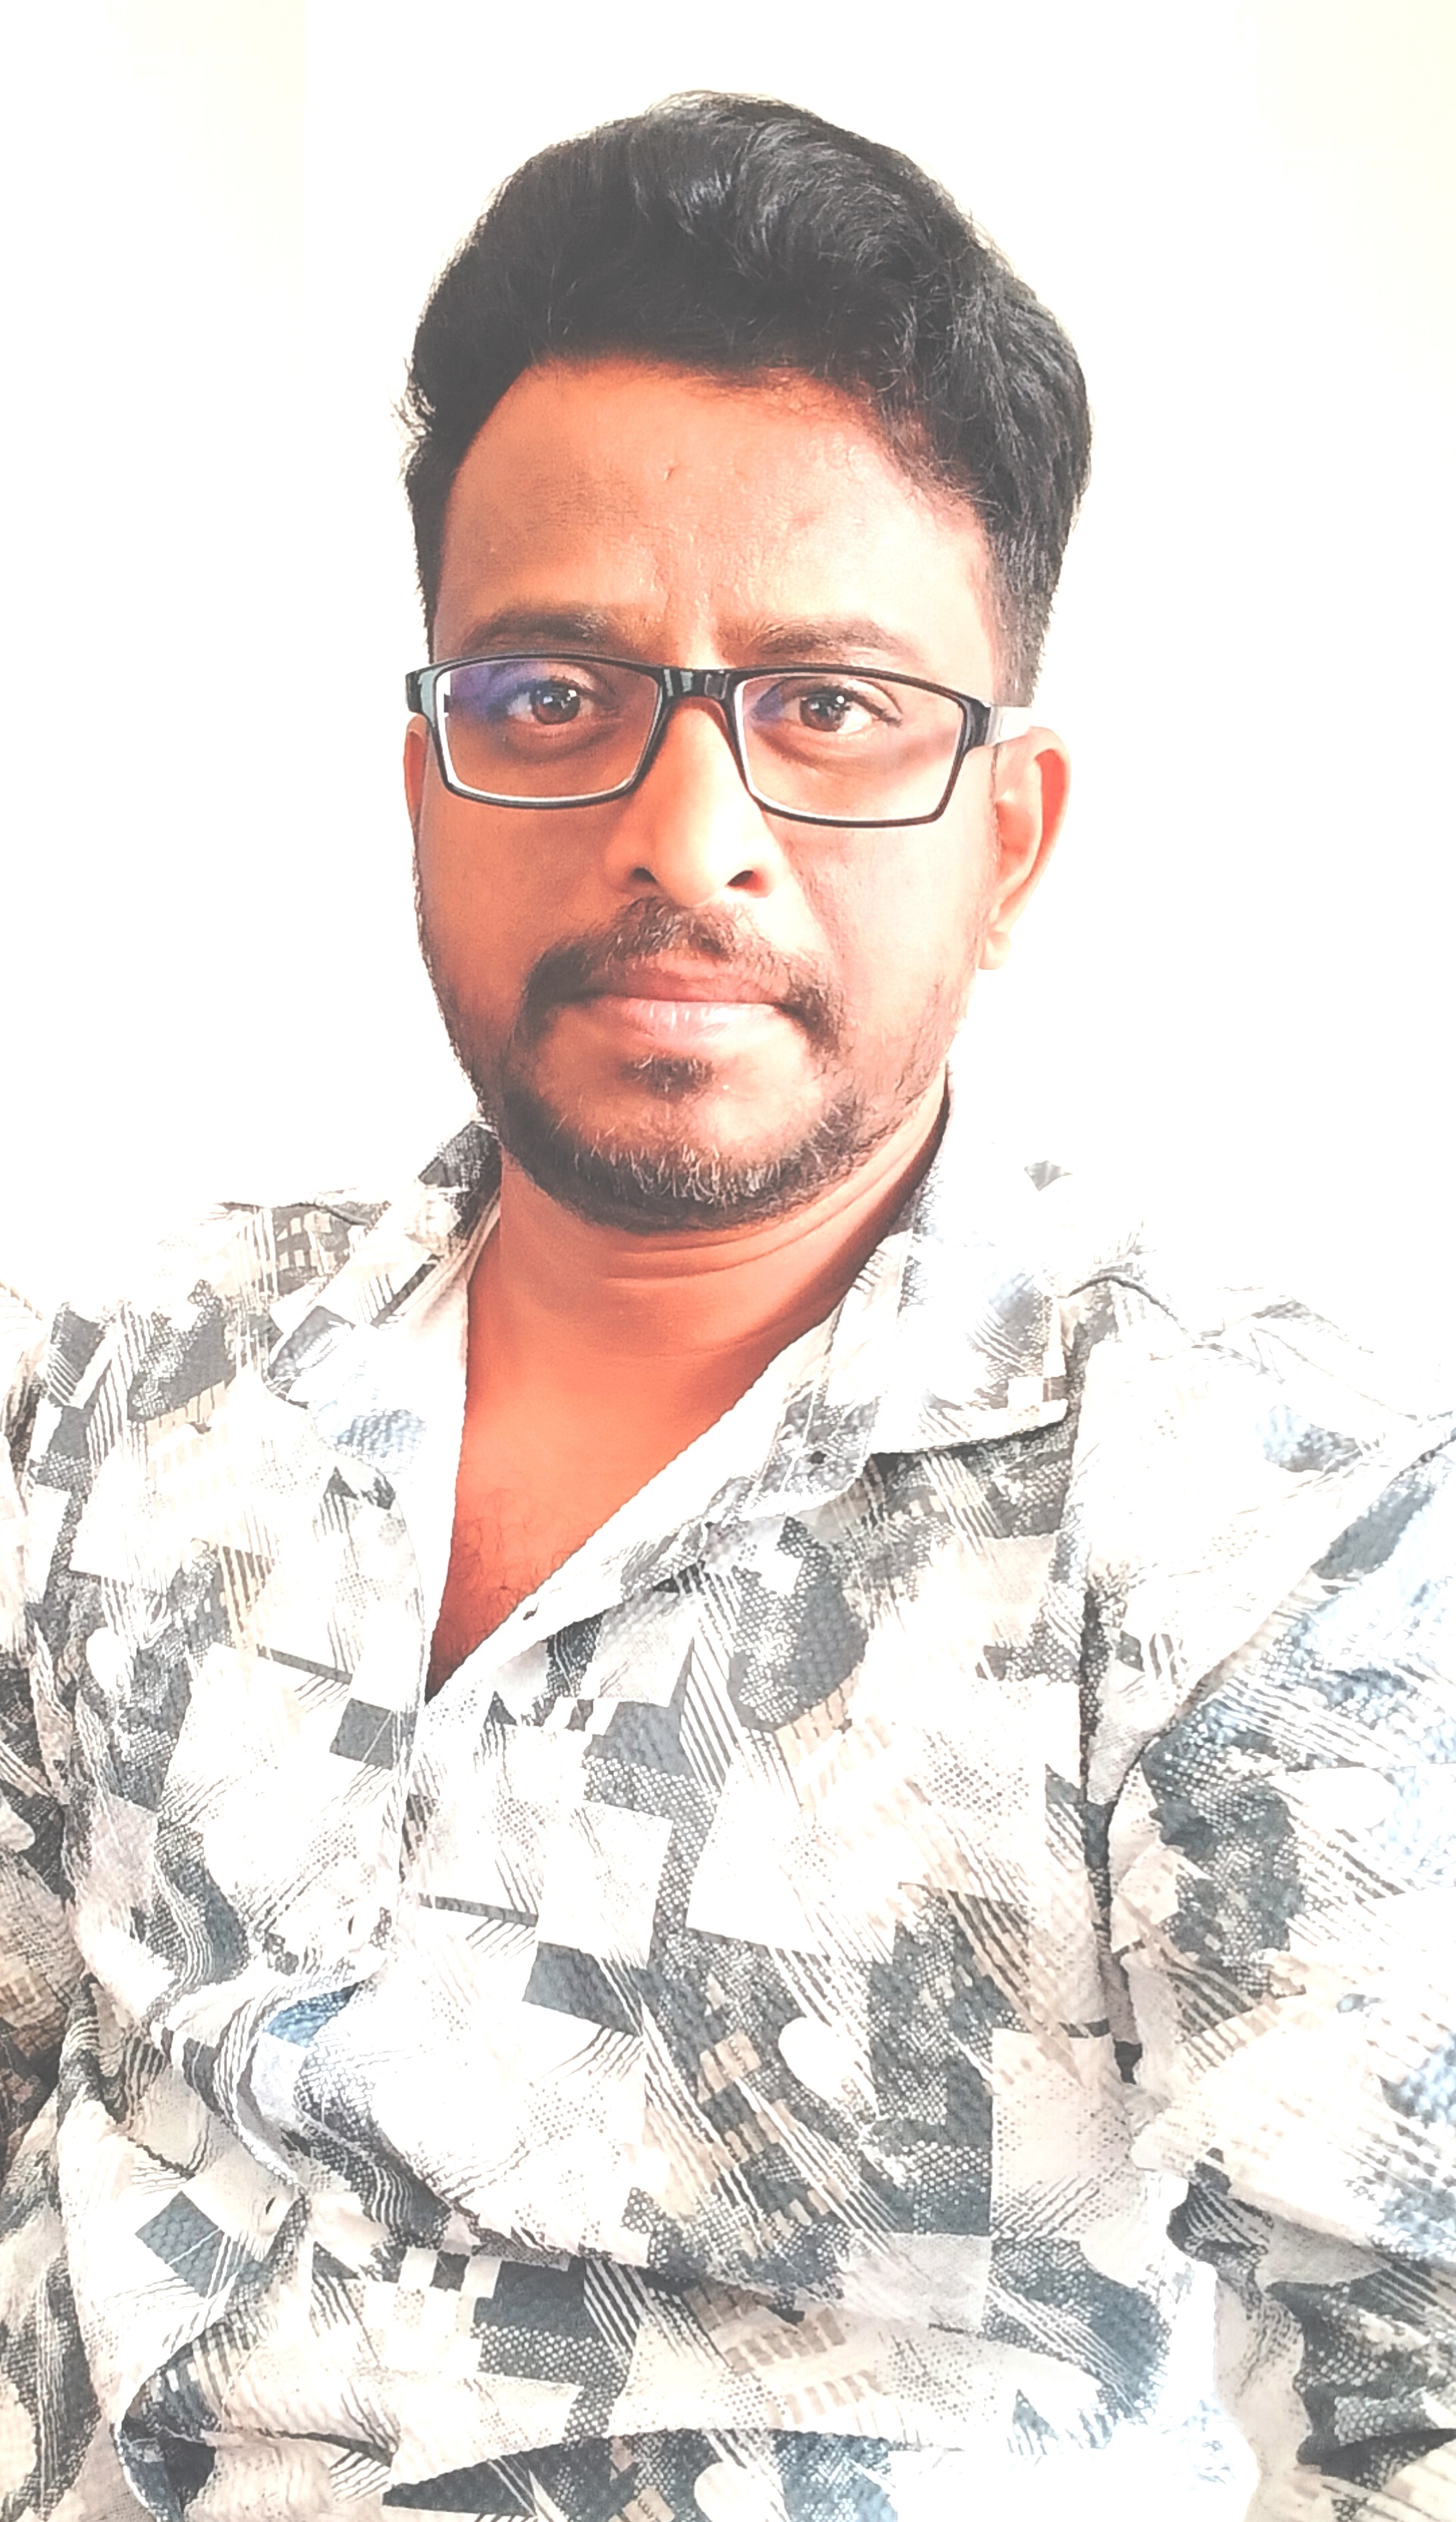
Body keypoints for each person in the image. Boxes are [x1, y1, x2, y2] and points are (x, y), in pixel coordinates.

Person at [0, 89, 1451, 2522]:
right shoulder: (113, 1386)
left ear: (1007, 840)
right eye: (548, 694)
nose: (686, 841)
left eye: (832, 705)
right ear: (424, 779)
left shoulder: (1262, 1534)